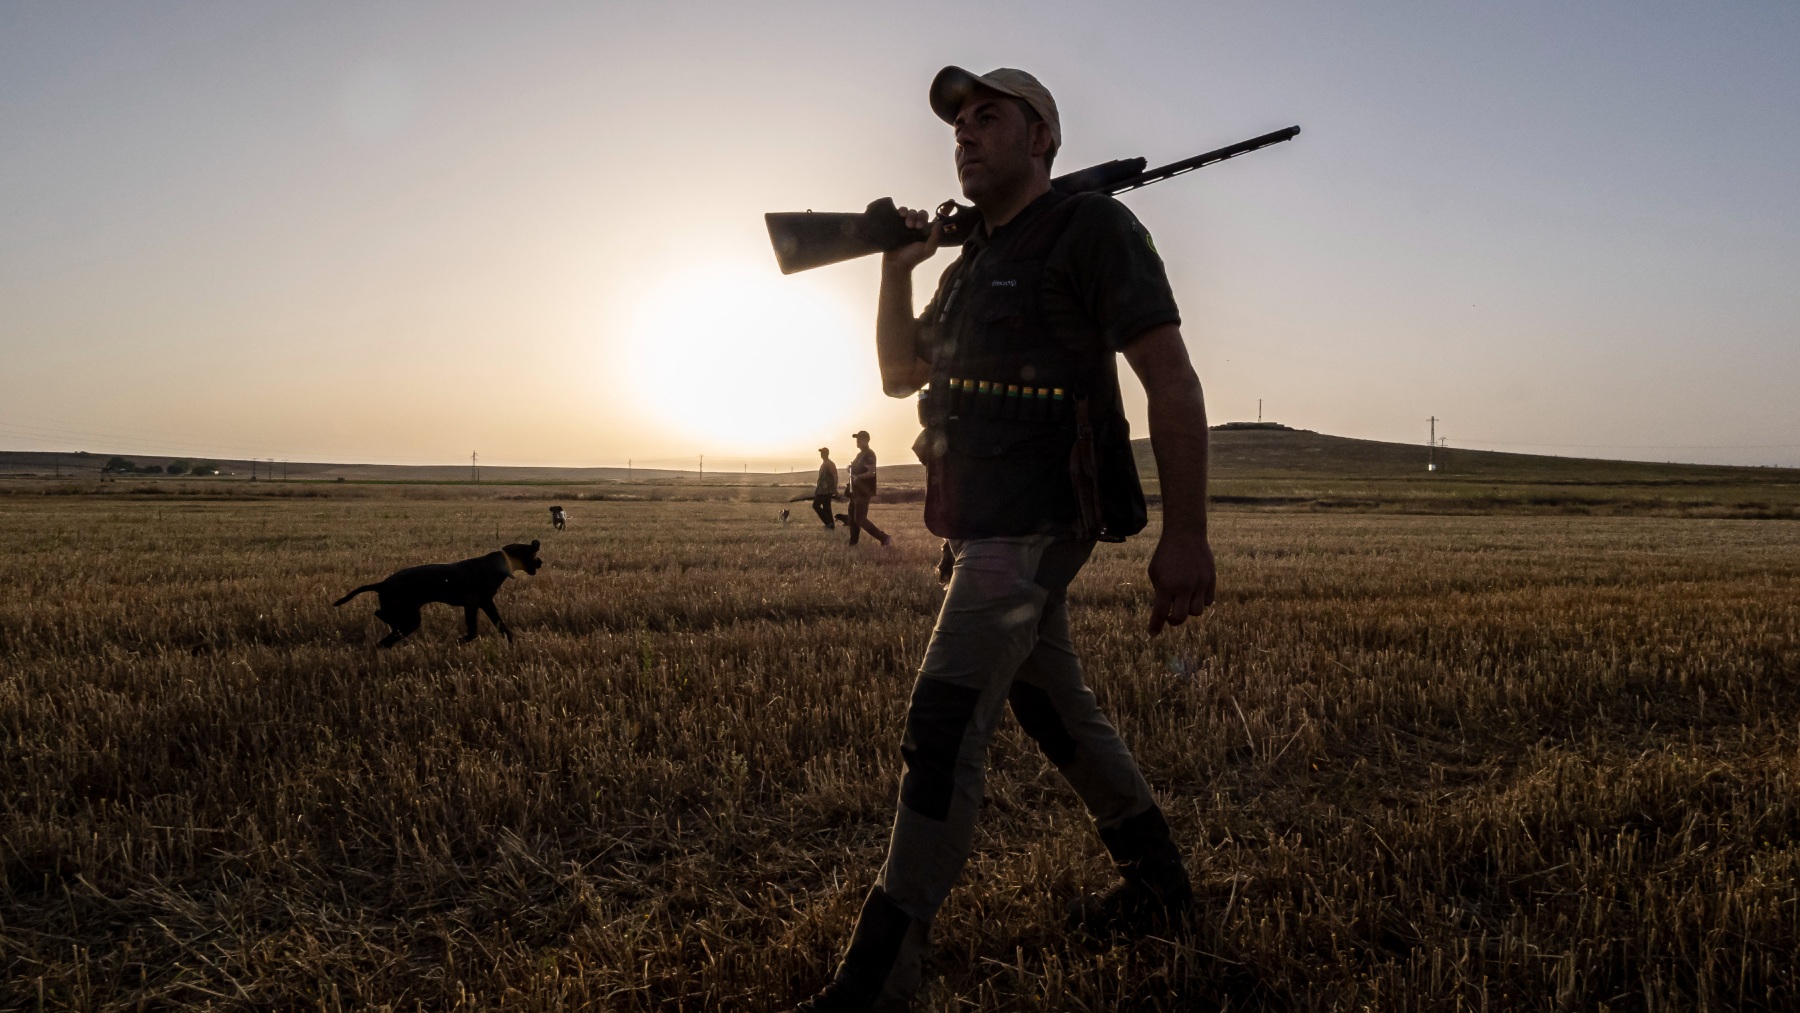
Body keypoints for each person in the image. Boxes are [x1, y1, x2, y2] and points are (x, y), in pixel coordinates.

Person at [787, 66, 1217, 1012]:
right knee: (1052, 706)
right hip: (980, 523)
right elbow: (901, 373)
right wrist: (897, 264)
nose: (967, 134)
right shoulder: (970, 261)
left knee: (941, 725)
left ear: (1044, 140)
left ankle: (875, 984)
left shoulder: (1094, 228)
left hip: (1037, 526)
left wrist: (1185, 534)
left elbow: (1172, 380)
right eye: (959, 124)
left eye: (991, 118)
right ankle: (1160, 886)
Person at [842, 430, 891, 547]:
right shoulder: (860, 454)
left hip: (863, 492)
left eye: (859, 439)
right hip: (855, 491)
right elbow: (855, 468)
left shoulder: (869, 454)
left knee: (860, 519)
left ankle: (883, 537)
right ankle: (852, 544)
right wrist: (849, 468)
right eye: (857, 439)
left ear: (867, 440)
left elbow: (872, 472)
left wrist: (857, 477)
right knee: (853, 519)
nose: (857, 441)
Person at [813, 447, 839, 529]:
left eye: (823, 452)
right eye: (821, 452)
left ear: (827, 453)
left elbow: (835, 476)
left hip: (826, 490)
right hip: (822, 490)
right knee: (827, 508)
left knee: (815, 505)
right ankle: (831, 525)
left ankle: (828, 523)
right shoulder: (824, 463)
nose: (822, 454)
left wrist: (835, 489)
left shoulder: (830, 464)